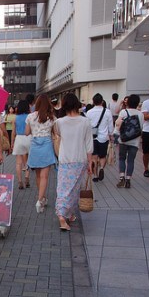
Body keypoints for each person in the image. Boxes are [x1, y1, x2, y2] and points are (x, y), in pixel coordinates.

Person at [53, 93, 93, 231]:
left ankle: (66, 215)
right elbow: (89, 144)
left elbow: (57, 134)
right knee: (74, 188)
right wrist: (90, 162)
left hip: (65, 159)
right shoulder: (85, 121)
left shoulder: (59, 122)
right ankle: (63, 216)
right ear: (77, 104)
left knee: (63, 188)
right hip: (80, 159)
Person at [25, 94, 56, 213]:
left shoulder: (30, 116)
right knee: (44, 176)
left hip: (35, 147)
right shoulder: (52, 117)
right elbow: (56, 132)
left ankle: (42, 198)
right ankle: (40, 199)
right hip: (47, 146)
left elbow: (27, 133)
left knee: (38, 176)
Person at [114, 94, 144, 189]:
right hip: (135, 141)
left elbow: (118, 125)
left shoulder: (123, 112)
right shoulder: (141, 114)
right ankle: (128, 180)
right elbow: (141, 128)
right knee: (131, 160)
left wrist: (115, 135)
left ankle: (121, 177)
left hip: (123, 140)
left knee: (122, 158)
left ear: (128, 102)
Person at [86, 93, 114, 182]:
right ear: (102, 101)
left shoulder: (89, 112)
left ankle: (95, 175)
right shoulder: (107, 112)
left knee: (94, 156)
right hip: (104, 137)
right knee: (102, 156)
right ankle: (101, 168)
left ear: (93, 102)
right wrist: (111, 135)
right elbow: (110, 125)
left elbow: (87, 126)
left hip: (93, 137)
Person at [11, 100, 31, 189]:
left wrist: (12, 142)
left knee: (18, 163)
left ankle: (19, 181)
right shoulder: (30, 116)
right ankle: (27, 177)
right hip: (29, 138)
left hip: (19, 139)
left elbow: (13, 132)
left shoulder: (15, 118)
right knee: (29, 161)